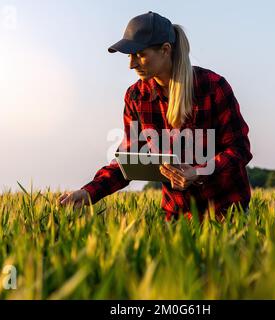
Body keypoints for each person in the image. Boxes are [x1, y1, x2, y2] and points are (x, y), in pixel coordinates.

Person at [58, 11, 252, 221]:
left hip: (227, 212)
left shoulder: (213, 87)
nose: (131, 64)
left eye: (139, 54)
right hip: (176, 216)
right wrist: (88, 192)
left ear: (165, 50)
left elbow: (240, 149)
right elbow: (130, 160)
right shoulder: (136, 97)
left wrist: (198, 172)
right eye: (129, 56)